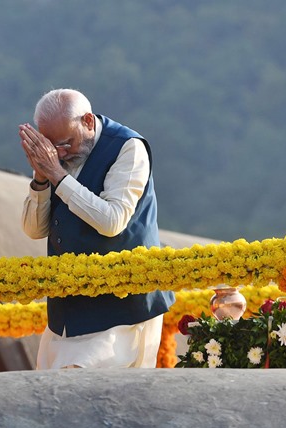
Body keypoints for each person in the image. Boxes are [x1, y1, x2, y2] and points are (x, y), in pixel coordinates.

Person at [19, 88, 175, 369]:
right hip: (67, 313)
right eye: (52, 146)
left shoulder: (128, 148)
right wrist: (41, 179)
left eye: (66, 143)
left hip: (122, 312)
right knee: (49, 390)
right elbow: (34, 230)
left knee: (87, 387)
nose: (60, 153)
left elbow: (112, 221)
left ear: (88, 121)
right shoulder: (55, 157)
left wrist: (57, 175)